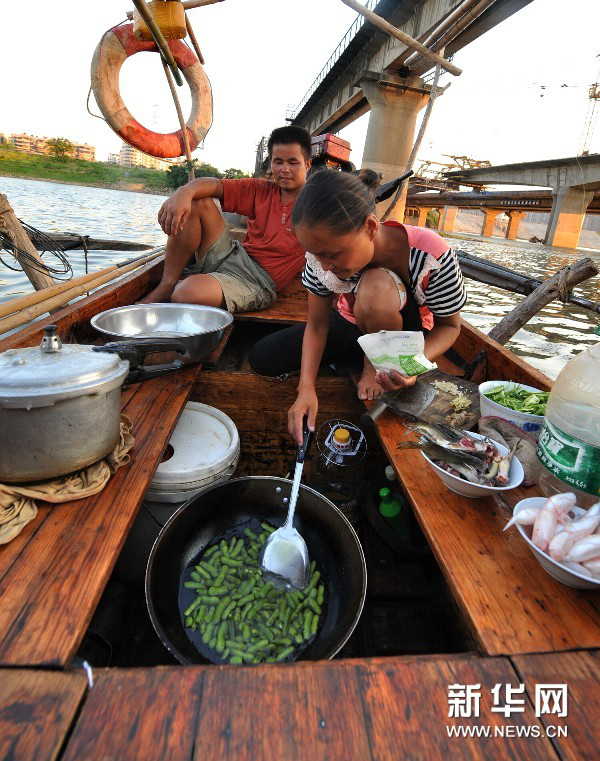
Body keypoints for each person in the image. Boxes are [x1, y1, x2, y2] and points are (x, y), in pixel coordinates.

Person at [247, 171, 468, 443]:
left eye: (332, 254)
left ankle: (375, 367)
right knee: (262, 357)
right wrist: (306, 388)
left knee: (375, 286)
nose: (324, 265)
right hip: (352, 323)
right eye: (316, 254)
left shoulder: (430, 254)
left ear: (371, 227)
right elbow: (317, 324)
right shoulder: (321, 260)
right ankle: (356, 359)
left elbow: (450, 326)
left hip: (405, 337)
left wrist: (410, 365)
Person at [141, 126, 311, 312]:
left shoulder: (315, 206)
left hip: (257, 282)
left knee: (185, 293)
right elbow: (214, 185)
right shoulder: (260, 189)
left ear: (307, 165)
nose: (284, 169)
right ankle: (167, 283)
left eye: (293, 162)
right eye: (278, 162)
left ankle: (191, 283)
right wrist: (184, 192)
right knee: (198, 202)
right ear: (271, 163)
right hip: (235, 255)